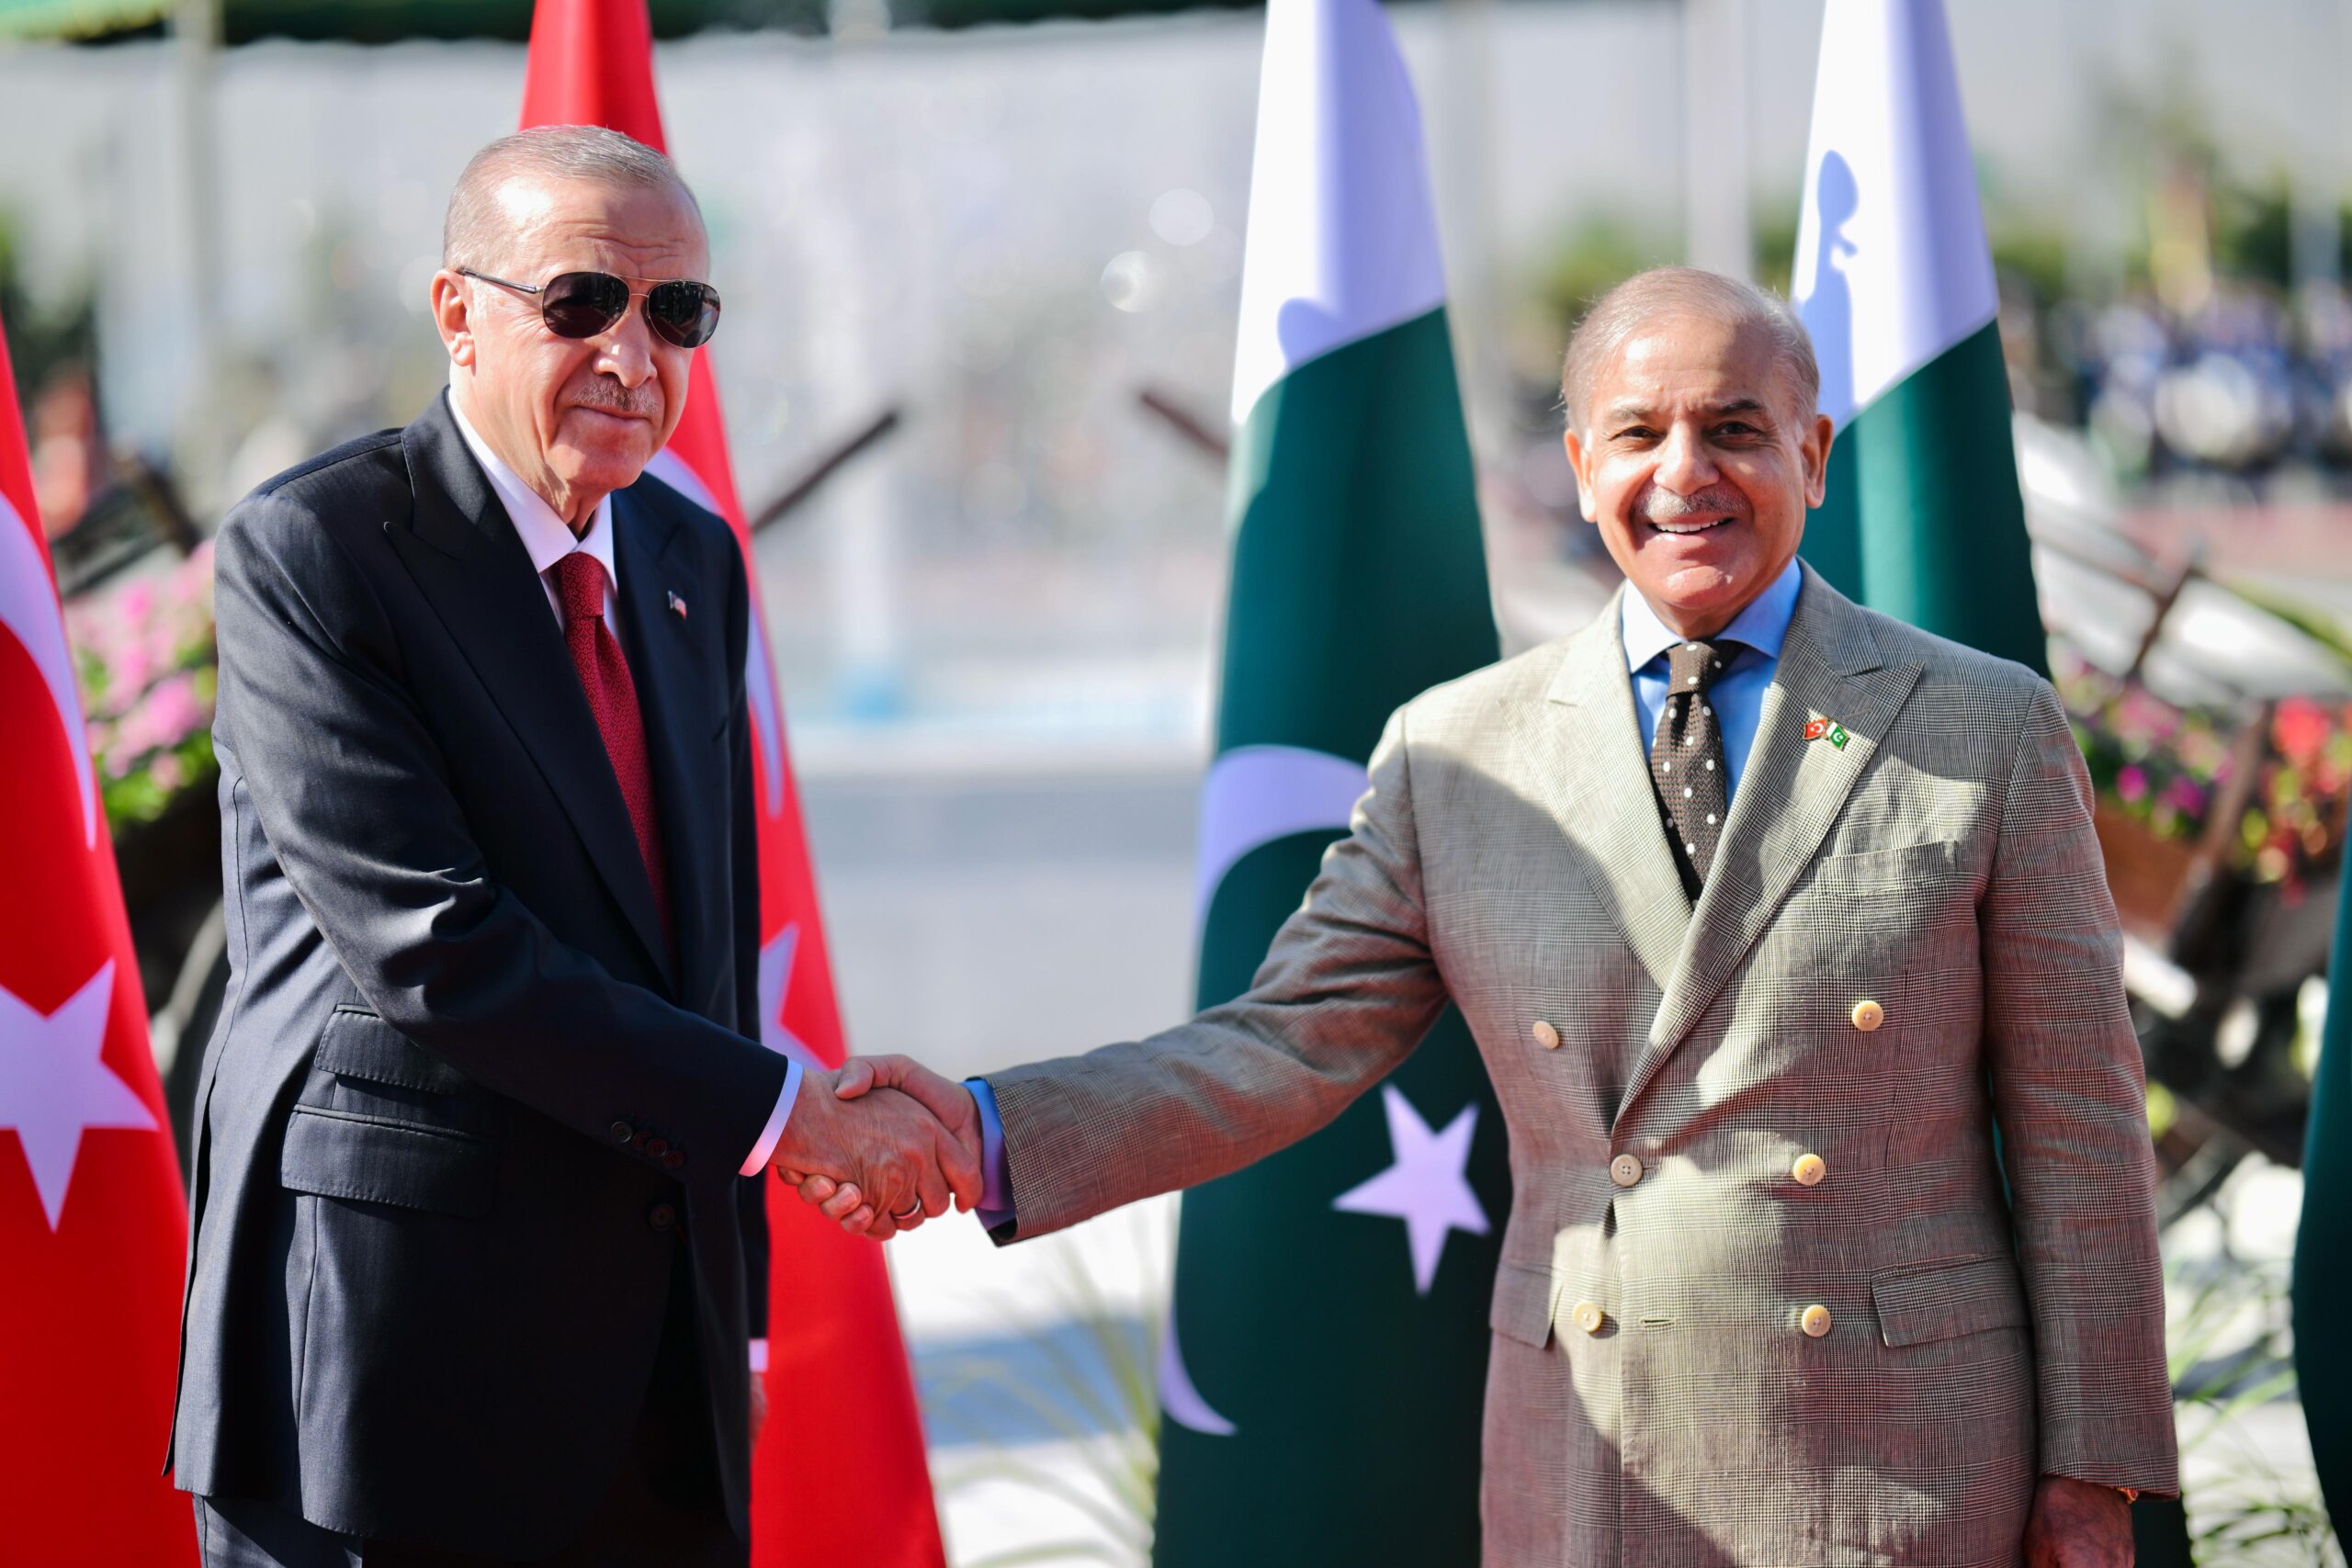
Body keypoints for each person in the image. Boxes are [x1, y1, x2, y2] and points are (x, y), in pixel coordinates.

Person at [792, 267, 2178, 1567]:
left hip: (1908, 1462)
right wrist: (980, 1133)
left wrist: (2097, 1470)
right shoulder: (1458, 753)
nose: (1684, 474)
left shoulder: (1982, 725)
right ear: (1580, 471)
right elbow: (1279, 1047)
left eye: (1736, 429)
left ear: (1814, 455)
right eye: (1637, 432)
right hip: (1595, 1454)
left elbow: (2081, 1127)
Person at [171, 126, 977, 1568]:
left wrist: (739, 1305)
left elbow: (703, 946)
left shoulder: (689, 558)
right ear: (458, 314)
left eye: (677, 313)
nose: (632, 353)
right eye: (581, 301)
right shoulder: (317, 554)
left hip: (655, 1374)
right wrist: (791, 1117)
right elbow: (440, 949)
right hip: (391, 1365)